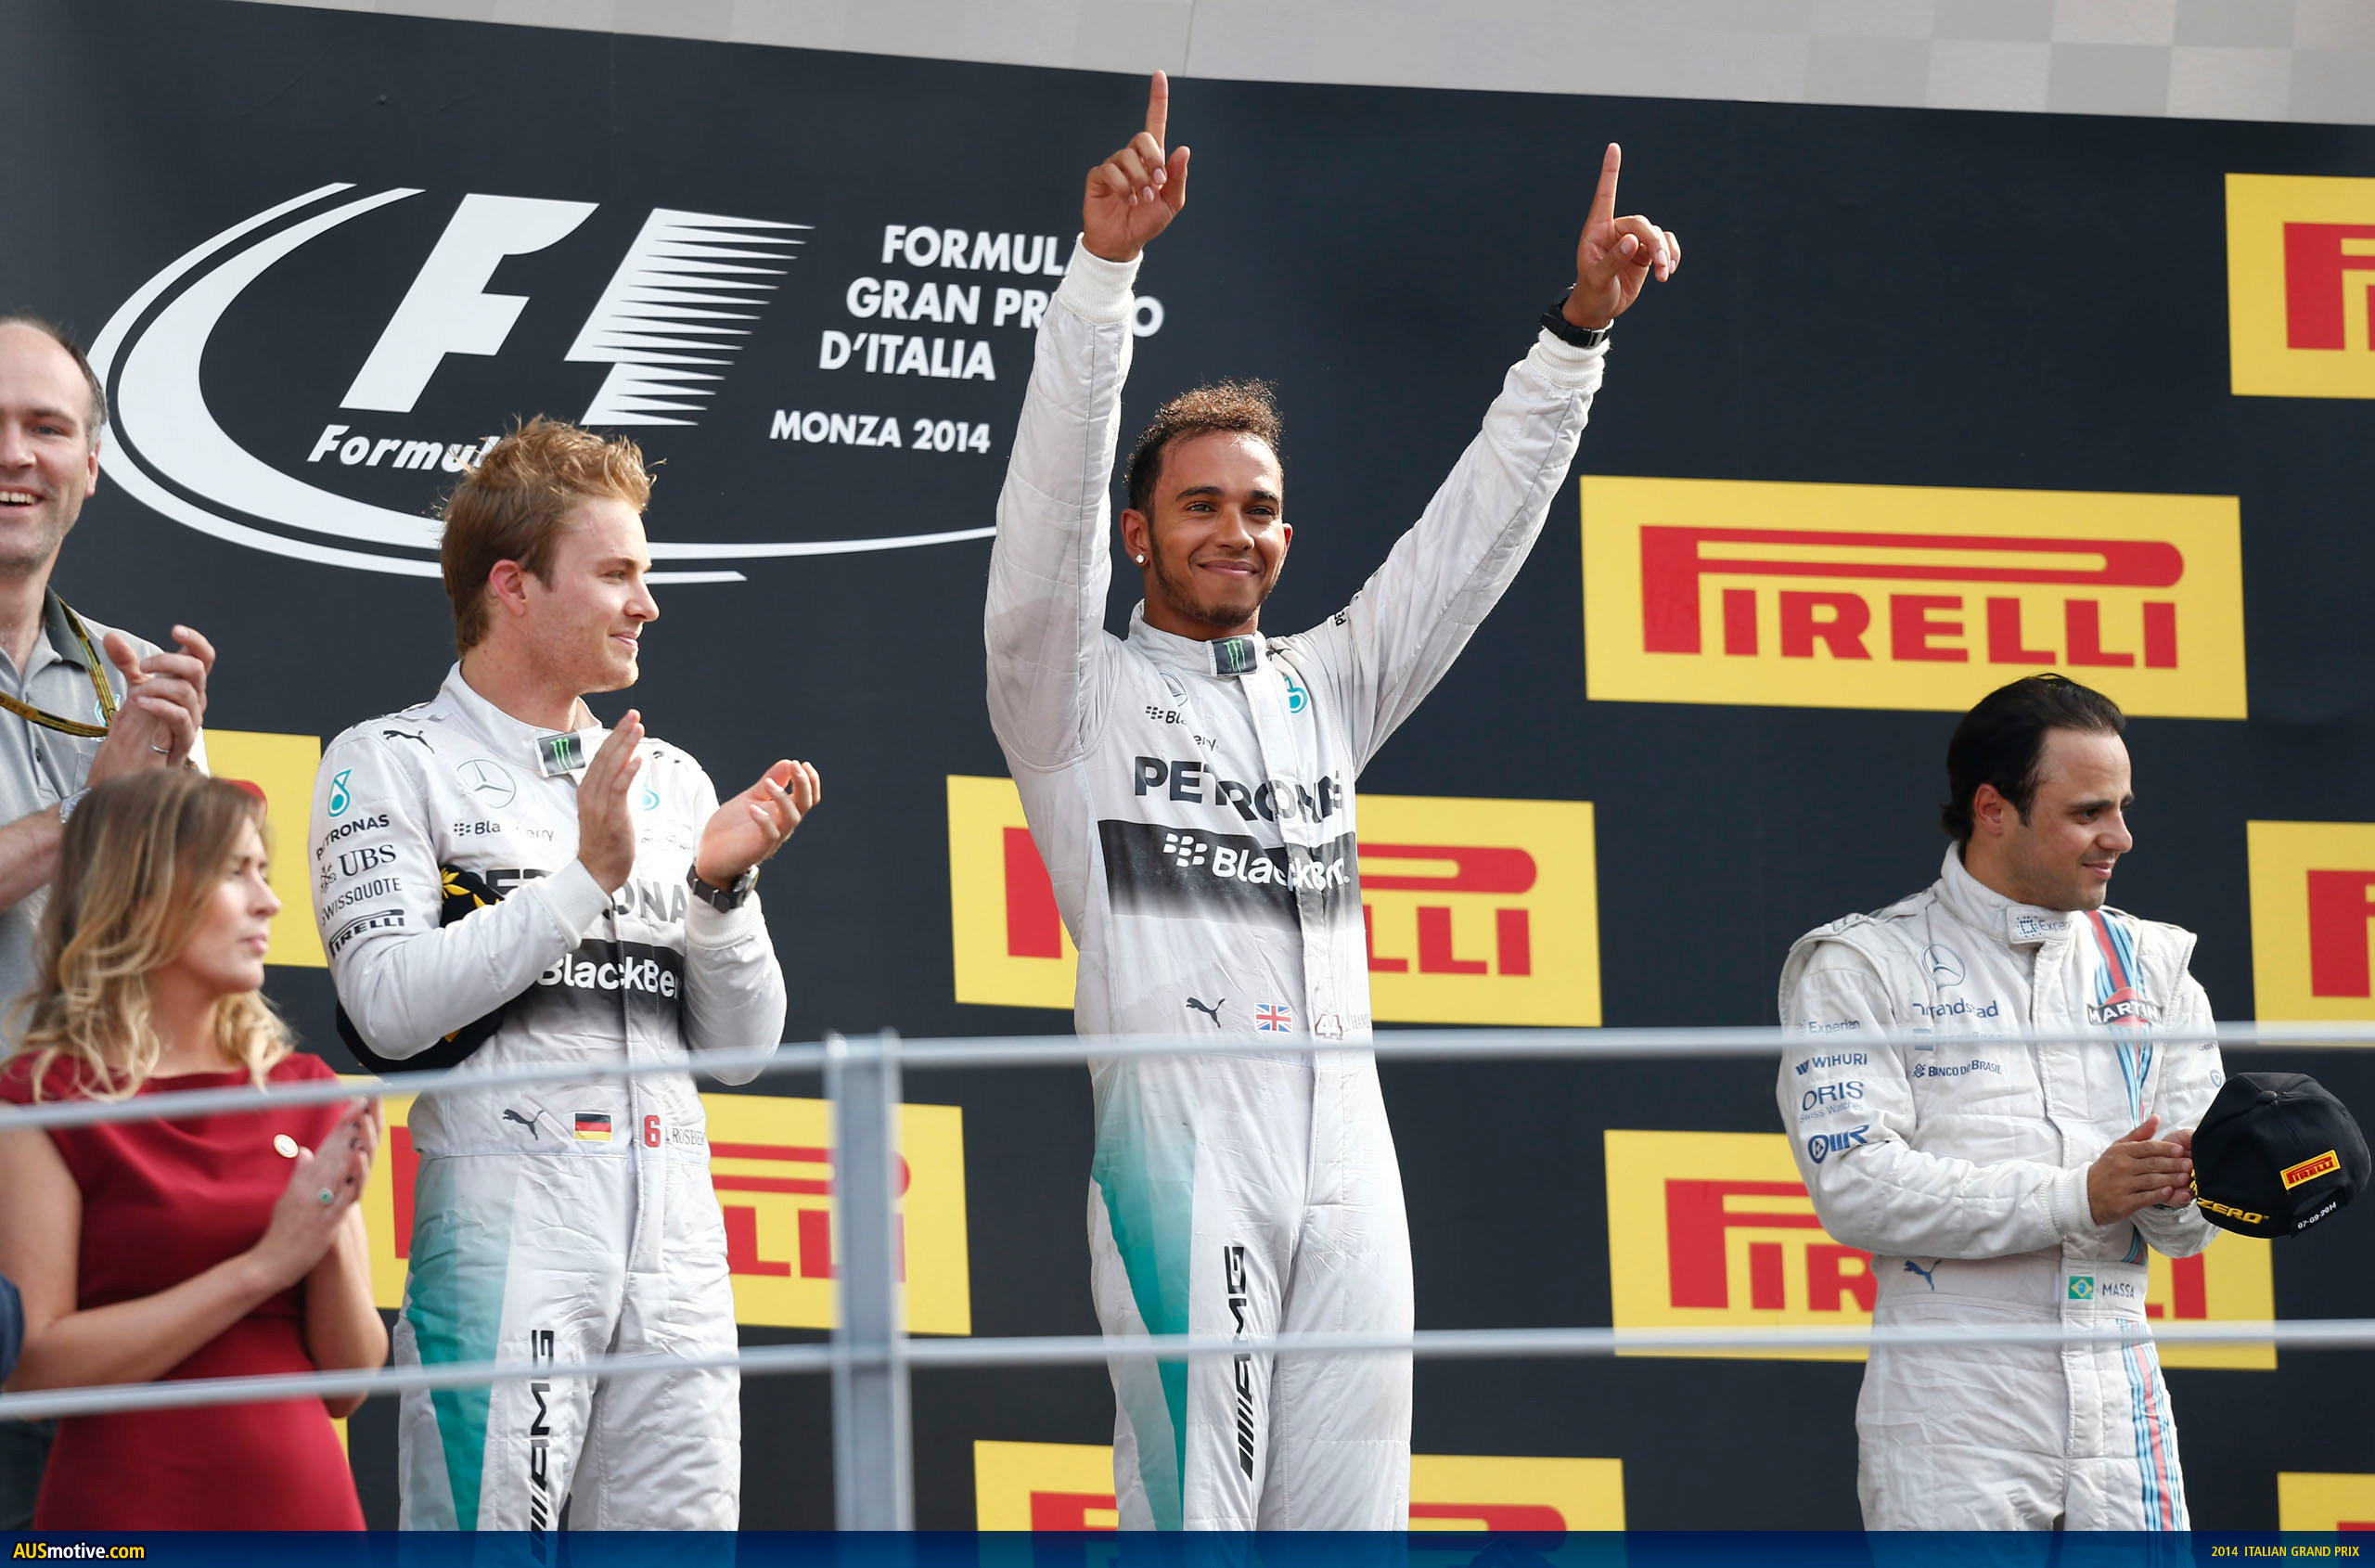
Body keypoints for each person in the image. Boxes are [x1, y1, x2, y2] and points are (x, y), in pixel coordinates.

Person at [985, 73, 1678, 1530]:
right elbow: (1045, 518)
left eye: (1258, 509)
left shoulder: (1328, 684)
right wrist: (1103, 279)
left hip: (1350, 1153)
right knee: (1195, 1521)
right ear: (1138, 535)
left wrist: (1577, 336)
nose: (1234, 531)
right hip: (1183, 1149)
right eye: (1199, 505)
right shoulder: (1072, 695)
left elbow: (1469, 542)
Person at [315, 417, 817, 1531]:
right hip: (506, 1226)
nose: (649, 603)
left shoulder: (671, 779)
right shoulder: (390, 759)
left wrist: (720, 891)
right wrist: (584, 879)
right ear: (514, 586)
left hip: (678, 1236)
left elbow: (743, 1053)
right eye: (617, 574)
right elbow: (386, 1010)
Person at [1778, 674, 2225, 1531]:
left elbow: (2186, 1232)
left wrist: (2204, 1183)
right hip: (1953, 1398)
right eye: (2088, 812)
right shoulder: (1863, 964)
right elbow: (1856, 1186)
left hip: (2123, 1378)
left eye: (2122, 808)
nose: (2120, 837)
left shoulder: (2155, 966)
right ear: (1992, 808)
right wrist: (2078, 1195)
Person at [0, 769, 383, 1529]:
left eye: (264, 872)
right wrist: (263, 1267)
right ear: (142, 895)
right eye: (235, 873)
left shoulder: (309, 1091)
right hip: (120, 1516)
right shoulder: (43, 1098)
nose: (270, 902)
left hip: (305, 1515)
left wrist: (327, 1228)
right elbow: (34, 1372)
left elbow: (348, 1383)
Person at [0, 314, 215, 1526]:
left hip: (108, 1220)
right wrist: (97, 810)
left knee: (87, 1548)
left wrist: (179, 818)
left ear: (91, 466)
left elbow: (198, 959)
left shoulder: (128, 675)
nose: (15, 455)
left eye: (46, 428)